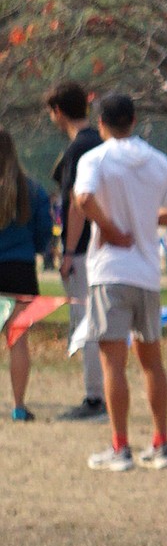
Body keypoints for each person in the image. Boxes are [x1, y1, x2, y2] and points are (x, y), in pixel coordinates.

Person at [71, 90, 167, 471]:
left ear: (101, 123)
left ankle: (120, 446)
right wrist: (144, 220)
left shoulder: (96, 157)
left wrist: (110, 227)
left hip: (111, 271)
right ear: (135, 121)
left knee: (113, 365)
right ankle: (161, 443)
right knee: (152, 363)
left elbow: (83, 198)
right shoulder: (157, 161)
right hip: (147, 275)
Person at [47, 80, 108, 421]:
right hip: (106, 247)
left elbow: (75, 206)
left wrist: (68, 252)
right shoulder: (102, 143)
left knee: (85, 324)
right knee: (101, 323)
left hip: (84, 252)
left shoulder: (76, 150)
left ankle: (94, 399)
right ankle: (104, 393)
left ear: (58, 111)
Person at [0, 130, 54, 422]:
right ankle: (19, 406)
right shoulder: (32, 189)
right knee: (18, 341)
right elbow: (44, 230)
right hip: (20, 270)